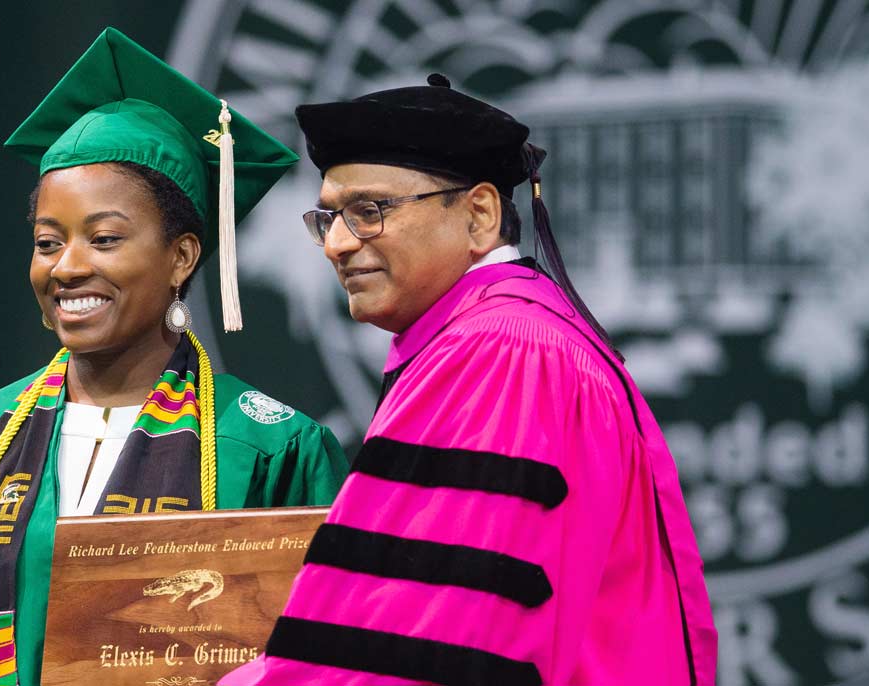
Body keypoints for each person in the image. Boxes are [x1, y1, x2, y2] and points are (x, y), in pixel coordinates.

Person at [0, 28, 349, 686]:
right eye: (48, 242)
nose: (68, 267)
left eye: (105, 238)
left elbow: (332, 658)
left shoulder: (270, 448)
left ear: (182, 257)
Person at [221, 75, 717, 686]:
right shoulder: (506, 336)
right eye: (328, 218)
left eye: (368, 211)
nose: (337, 244)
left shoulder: (503, 353)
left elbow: (423, 642)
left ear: (480, 214)